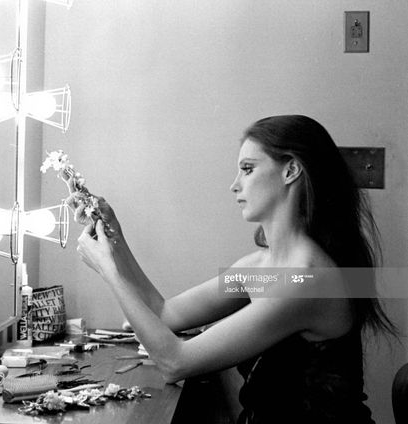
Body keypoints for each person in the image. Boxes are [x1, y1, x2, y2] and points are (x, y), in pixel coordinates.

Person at [67, 115, 397, 423]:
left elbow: (175, 362)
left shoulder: (307, 281)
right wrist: (114, 237)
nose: (234, 185)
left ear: (291, 170)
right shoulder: (259, 267)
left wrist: (107, 268)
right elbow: (164, 312)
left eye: (248, 169)